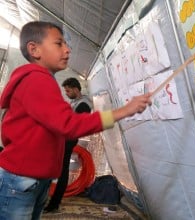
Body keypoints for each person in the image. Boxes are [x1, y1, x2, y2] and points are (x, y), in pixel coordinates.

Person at [0, 21, 151, 220]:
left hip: (32, 178)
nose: (68, 49)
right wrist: (123, 111)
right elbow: (69, 124)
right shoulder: (37, 79)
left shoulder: (40, 80)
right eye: (59, 43)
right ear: (34, 49)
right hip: (22, 179)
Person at [43, 77, 92, 213]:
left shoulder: (84, 105)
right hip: (64, 139)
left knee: (62, 171)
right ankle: (50, 201)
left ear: (76, 89)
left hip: (68, 141)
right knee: (56, 169)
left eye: (68, 91)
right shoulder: (76, 102)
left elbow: (75, 125)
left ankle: (54, 204)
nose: (66, 93)